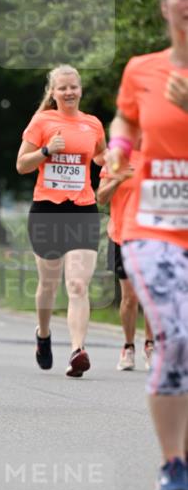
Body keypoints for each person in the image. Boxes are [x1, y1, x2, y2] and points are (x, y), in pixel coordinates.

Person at [107, 0, 188, 490]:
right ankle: (172, 465)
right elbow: (128, 121)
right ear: (165, 5)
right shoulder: (141, 69)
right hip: (152, 220)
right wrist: (118, 153)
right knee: (177, 335)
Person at [16, 65, 107, 376]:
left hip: (82, 209)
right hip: (47, 209)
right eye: (62, 88)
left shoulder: (92, 124)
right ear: (53, 93)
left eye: (73, 87)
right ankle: (43, 334)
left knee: (78, 284)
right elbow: (21, 165)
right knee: (49, 284)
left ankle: (77, 351)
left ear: (80, 90)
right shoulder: (42, 121)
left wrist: (115, 163)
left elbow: (100, 156)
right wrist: (45, 150)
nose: (69, 92)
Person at [96, 149, 154, 370]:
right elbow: (100, 197)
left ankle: (150, 345)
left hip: (151, 237)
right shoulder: (115, 158)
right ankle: (128, 347)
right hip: (122, 235)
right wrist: (118, 179)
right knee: (130, 297)